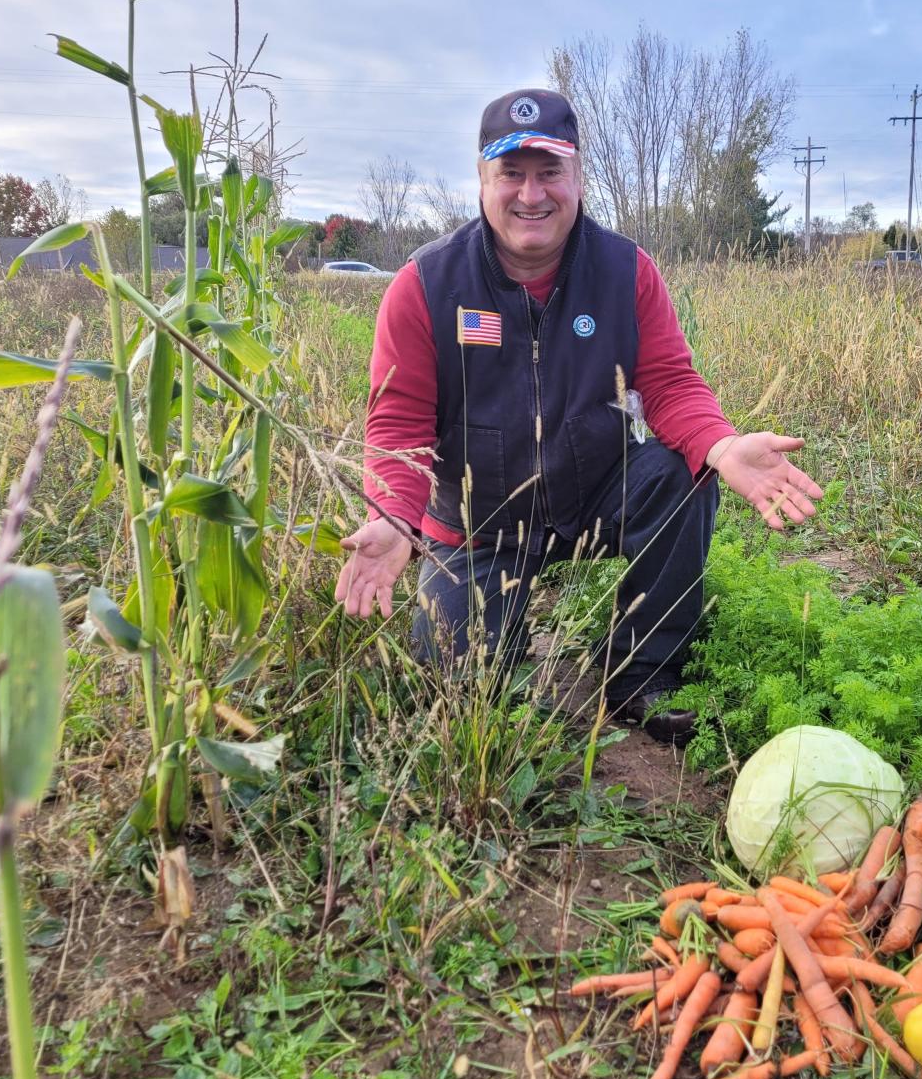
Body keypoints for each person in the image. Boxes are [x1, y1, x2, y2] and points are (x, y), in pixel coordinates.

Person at [335, 88, 823, 743]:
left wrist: (721, 444)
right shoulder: (425, 286)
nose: (531, 194)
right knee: (461, 697)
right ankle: (493, 645)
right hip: (479, 524)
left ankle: (640, 672)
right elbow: (399, 426)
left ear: (578, 177)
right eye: (512, 173)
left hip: (593, 489)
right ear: (483, 180)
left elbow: (670, 382)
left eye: (549, 172)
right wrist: (394, 516)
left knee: (683, 473)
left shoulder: (626, 273)